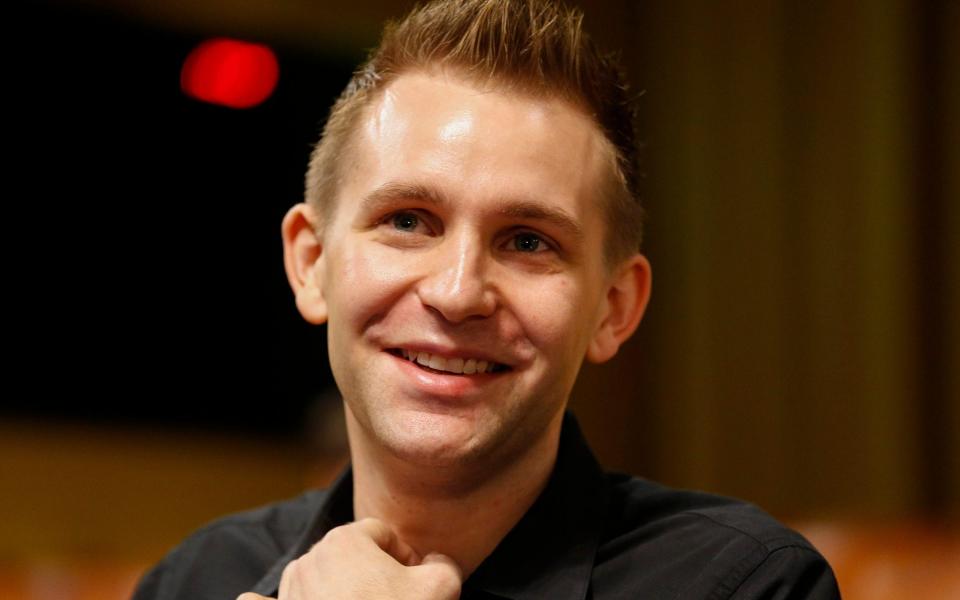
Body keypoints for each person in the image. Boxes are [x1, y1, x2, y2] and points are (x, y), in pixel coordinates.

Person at [132, 1, 840, 598]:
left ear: (614, 308)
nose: (457, 292)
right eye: (408, 221)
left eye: (528, 241)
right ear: (312, 263)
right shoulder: (192, 580)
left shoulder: (749, 586)